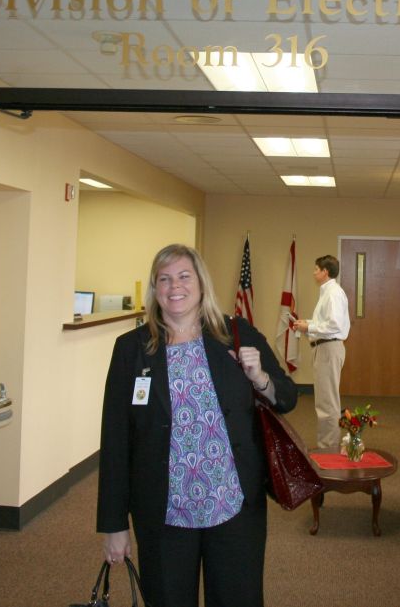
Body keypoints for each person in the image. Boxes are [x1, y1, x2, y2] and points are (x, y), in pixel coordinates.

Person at [97, 243, 298, 607]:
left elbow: (287, 397)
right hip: (164, 512)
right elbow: (115, 440)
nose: (175, 286)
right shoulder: (132, 349)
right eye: (164, 279)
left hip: (233, 505)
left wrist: (260, 378)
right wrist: (114, 523)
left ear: (202, 283)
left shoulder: (236, 333)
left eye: (184, 276)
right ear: (155, 288)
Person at [292, 254, 350, 452]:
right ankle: (326, 445)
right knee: (324, 401)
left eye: (316, 269)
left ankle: (328, 449)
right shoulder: (327, 292)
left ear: (325, 272)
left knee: (328, 403)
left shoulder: (333, 293)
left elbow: (335, 325)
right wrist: (307, 324)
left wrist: (309, 327)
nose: (313, 273)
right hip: (324, 348)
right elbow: (326, 323)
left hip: (329, 349)